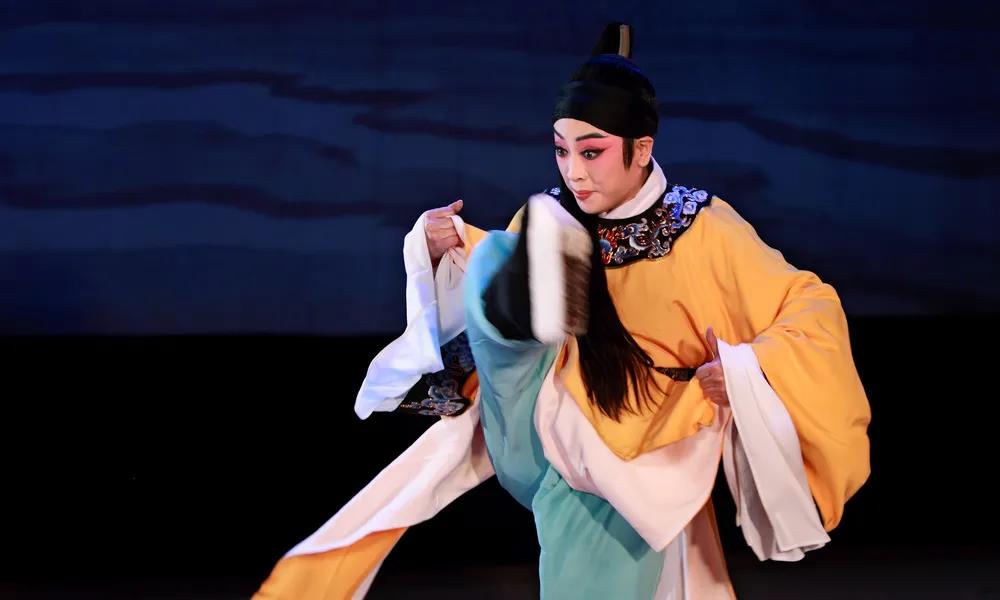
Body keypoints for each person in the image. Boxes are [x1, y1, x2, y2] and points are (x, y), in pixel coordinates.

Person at [254, 22, 871, 599]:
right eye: (561, 151)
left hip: (640, 452)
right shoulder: (551, 215)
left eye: (592, 152)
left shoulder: (704, 227)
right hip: (539, 421)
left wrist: (744, 369)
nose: (573, 172)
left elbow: (810, 307)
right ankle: (512, 291)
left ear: (641, 149)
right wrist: (442, 248)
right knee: (500, 259)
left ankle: (513, 288)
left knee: (598, 549)